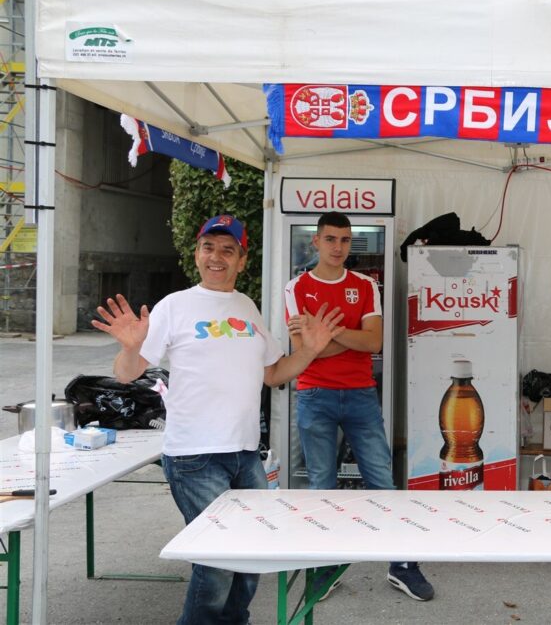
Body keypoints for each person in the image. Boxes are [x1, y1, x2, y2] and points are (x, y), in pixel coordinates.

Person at [91, 214, 344, 625]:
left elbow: (274, 373)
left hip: (244, 454)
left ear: (242, 261)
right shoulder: (174, 306)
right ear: (196, 254)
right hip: (195, 456)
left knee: (251, 555)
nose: (216, 257)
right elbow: (126, 373)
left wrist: (310, 351)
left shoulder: (246, 307)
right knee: (216, 564)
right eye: (208, 247)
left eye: (228, 250)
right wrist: (131, 347)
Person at [284, 211, 435, 602]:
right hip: (314, 395)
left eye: (345, 240)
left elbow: (374, 343)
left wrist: (326, 334)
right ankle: (327, 566)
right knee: (322, 487)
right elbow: (303, 351)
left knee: (382, 481)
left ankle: (402, 565)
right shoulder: (296, 287)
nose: (338, 247)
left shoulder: (365, 285)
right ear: (316, 241)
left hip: (360, 394)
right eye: (330, 239)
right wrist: (341, 338)